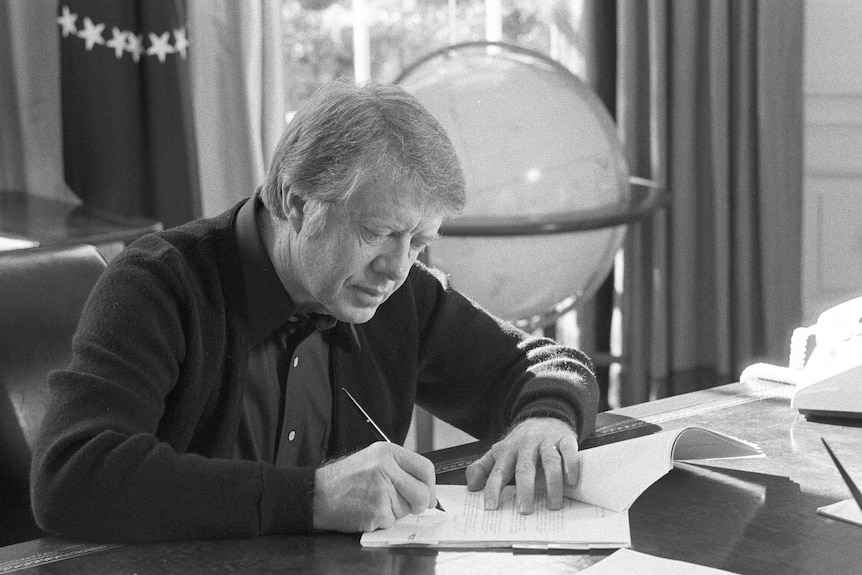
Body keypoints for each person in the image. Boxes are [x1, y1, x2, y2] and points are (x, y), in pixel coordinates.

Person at [30, 79, 599, 542]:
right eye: (378, 233)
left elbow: (543, 364)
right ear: (298, 203)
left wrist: (545, 419)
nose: (397, 268)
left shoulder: (398, 292)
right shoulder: (158, 284)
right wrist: (312, 498)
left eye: (419, 242)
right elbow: (72, 475)